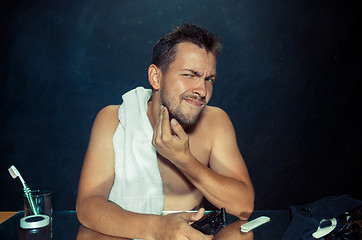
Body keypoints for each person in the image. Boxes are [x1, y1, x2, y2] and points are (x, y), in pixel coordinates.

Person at [76, 22, 254, 240]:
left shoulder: (215, 122)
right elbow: (87, 206)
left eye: (209, 79)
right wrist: (158, 228)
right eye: (190, 74)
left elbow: (243, 207)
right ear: (156, 77)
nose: (202, 91)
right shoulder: (114, 119)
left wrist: (183, 158)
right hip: (124, 233)